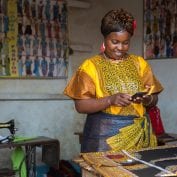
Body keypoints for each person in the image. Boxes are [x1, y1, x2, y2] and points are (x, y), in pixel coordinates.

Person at [64, 8, 163, 153]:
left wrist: (147, 99)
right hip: (104, 139)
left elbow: (154, 99)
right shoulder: (90, 66)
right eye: (115, 42)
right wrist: (110, 100)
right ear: (105, 38)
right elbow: (81, 106)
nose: (120, 48)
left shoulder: (140, 63)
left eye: (126, 43)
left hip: (139, 137)